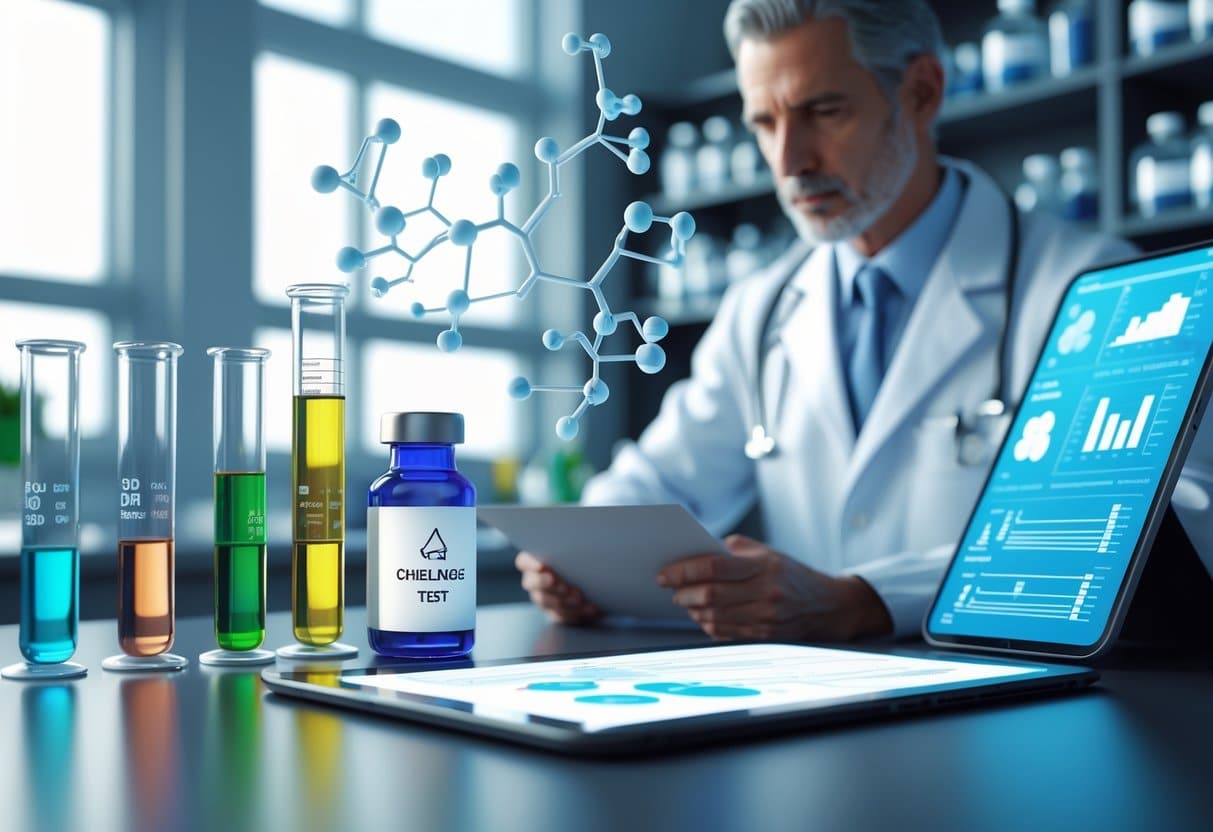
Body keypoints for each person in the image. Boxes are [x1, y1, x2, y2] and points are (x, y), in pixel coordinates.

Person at [516, 0, 1213, 641]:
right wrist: (576, 557)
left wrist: (870, 599)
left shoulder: (1094, 285)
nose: (789, 161)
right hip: (810, 705)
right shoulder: (760, 309)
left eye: (823, 111)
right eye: (764, 123)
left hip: (1015, 701)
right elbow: (657, 482)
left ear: (921, 93)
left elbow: (1160, 523)